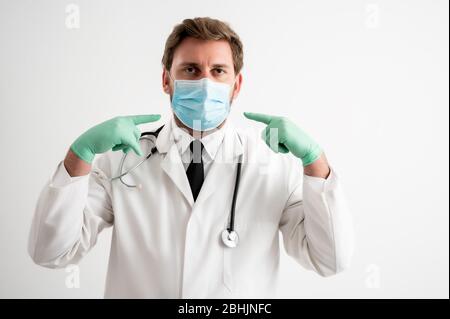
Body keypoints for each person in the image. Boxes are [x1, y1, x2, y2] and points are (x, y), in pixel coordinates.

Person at [28, 17, 354, 298]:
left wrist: (316, 162)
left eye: (218, 71)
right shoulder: (122, 160)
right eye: (191, 69)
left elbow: (329, 260)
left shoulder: (273, 164)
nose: (204, 83)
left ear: (236, 85)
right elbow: (51, 252)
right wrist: (78, 157)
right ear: (166, 80)